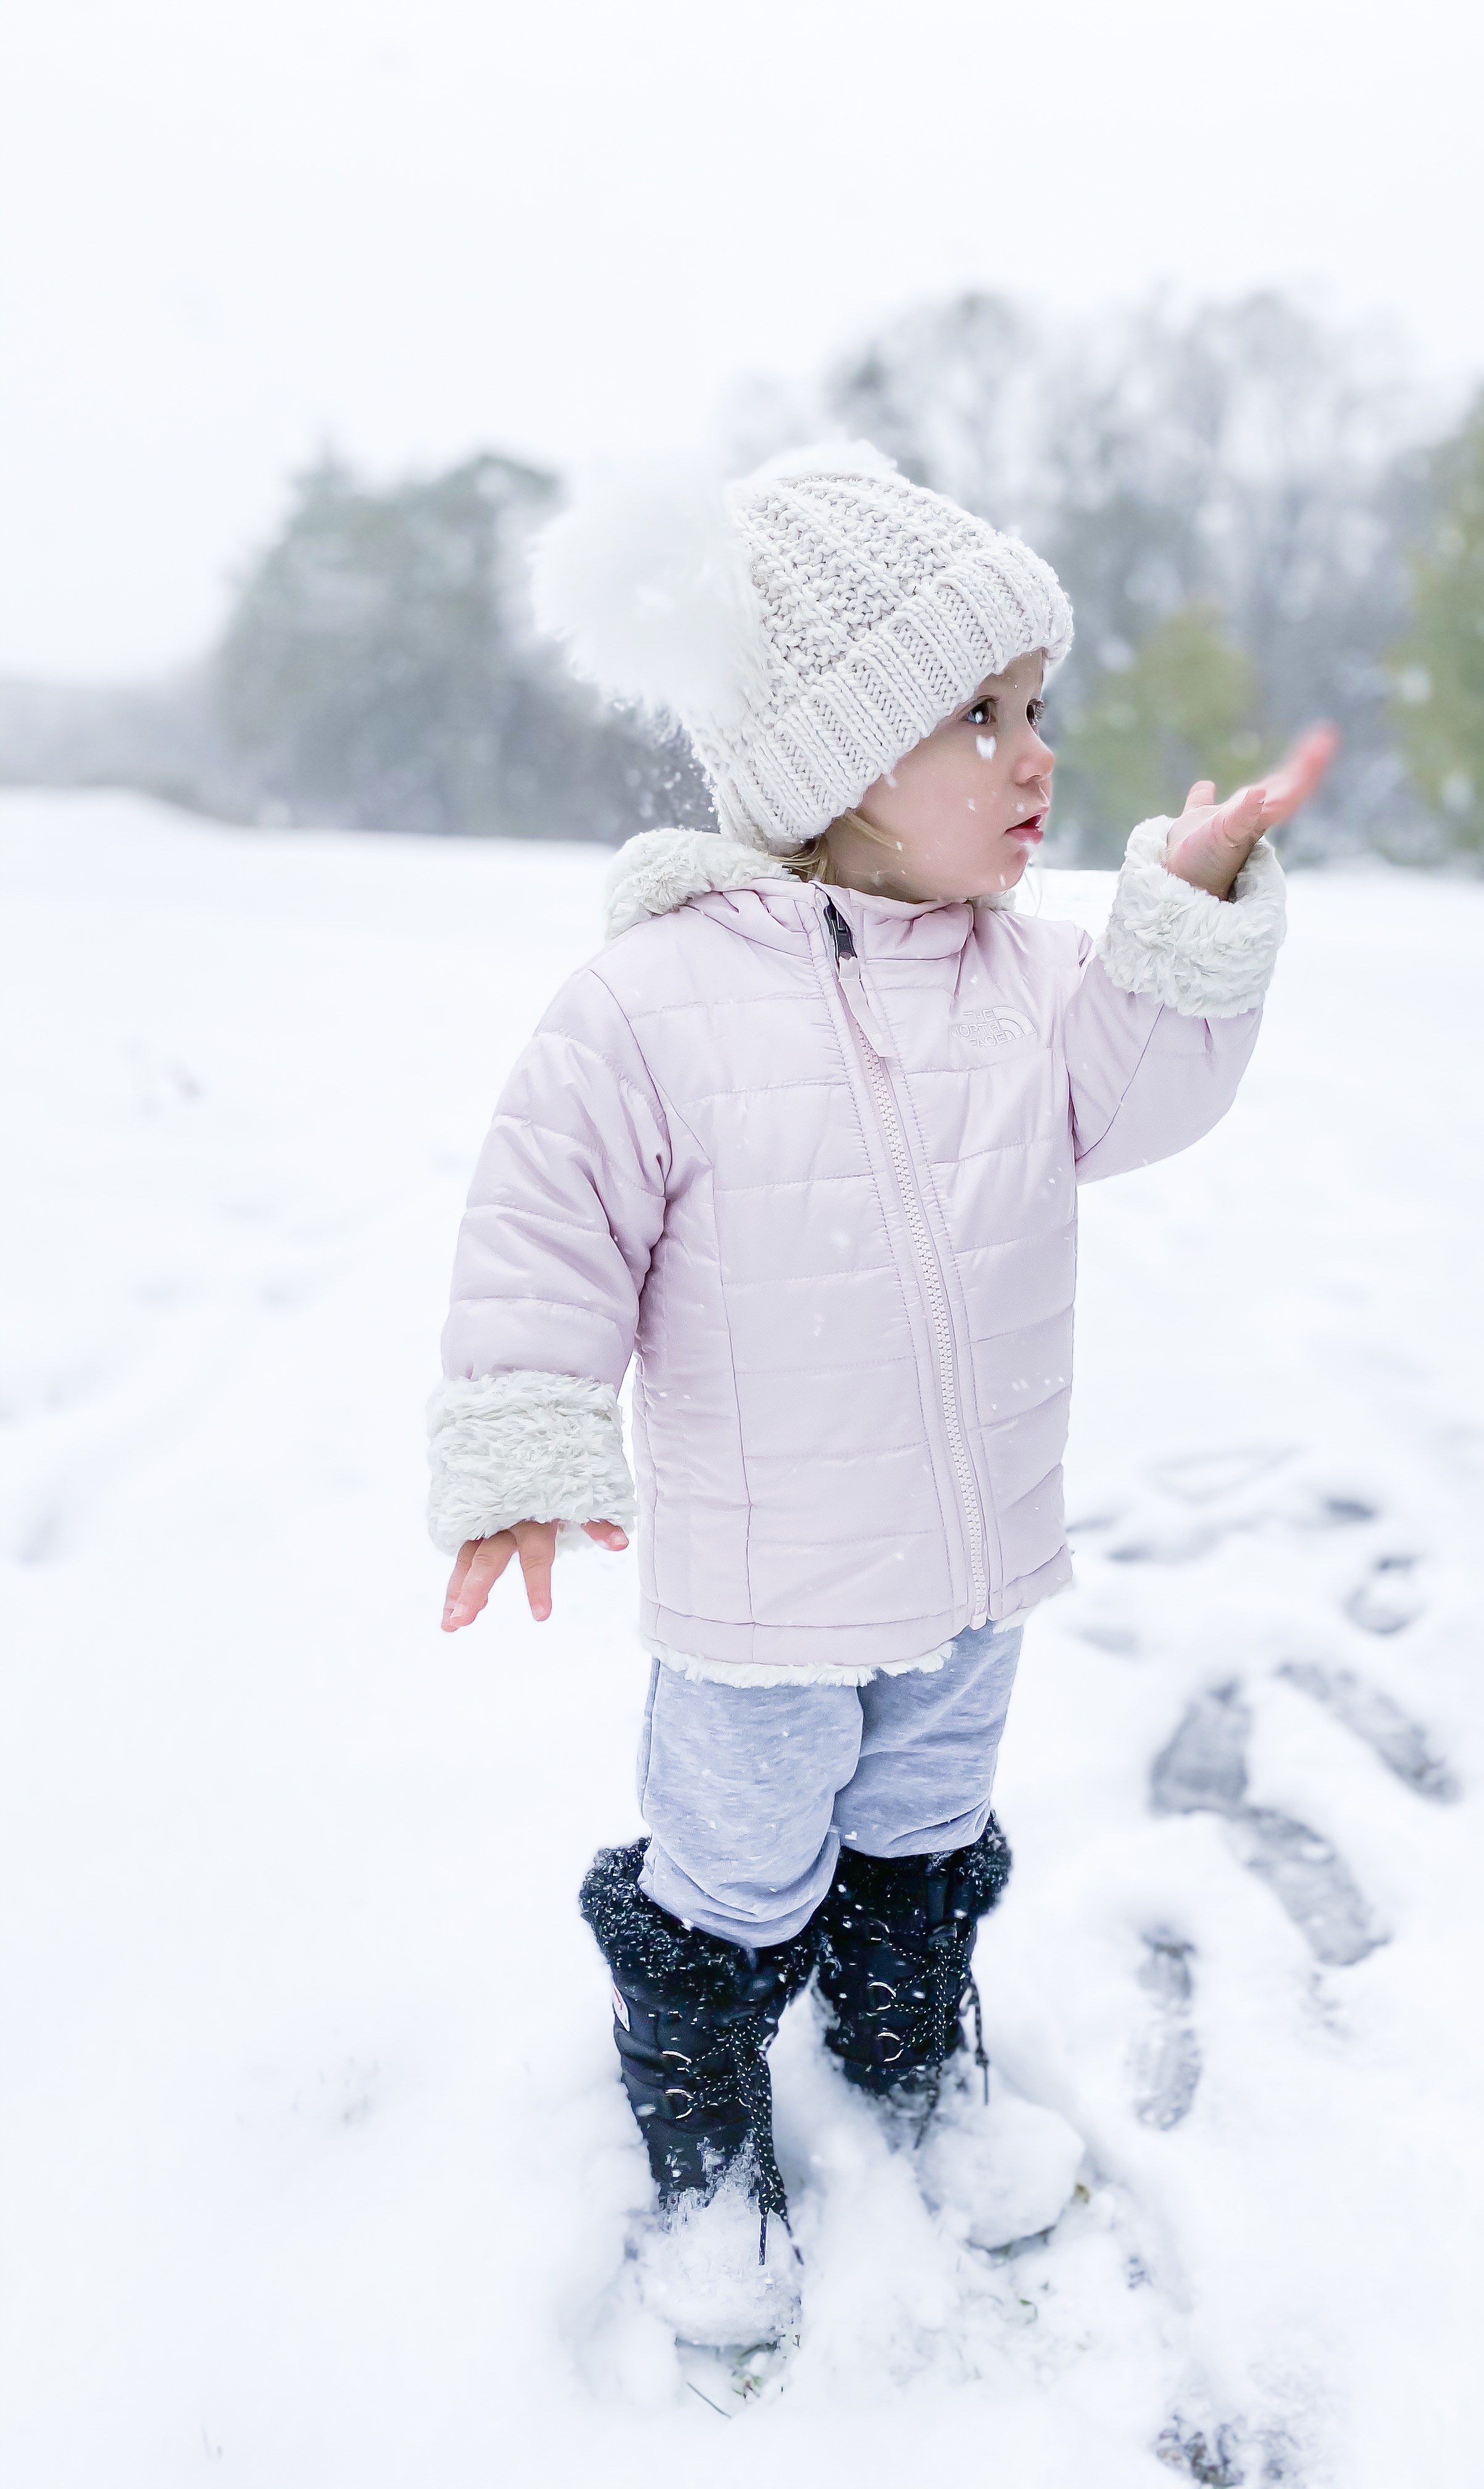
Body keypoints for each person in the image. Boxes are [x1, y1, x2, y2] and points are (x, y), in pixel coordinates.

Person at [426, 443, 1335, 2340]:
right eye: (976, 716)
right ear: (838, 761)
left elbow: (1148, 1086)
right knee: (737, 1870)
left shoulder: (1032, 987)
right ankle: (700, 2132)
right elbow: (544, 1218)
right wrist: (525, 1435)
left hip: (974, 1565)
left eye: (1038, 709)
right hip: (764, 1602)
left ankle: (915, 2065)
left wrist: (1186, 904)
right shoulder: (657, 1003)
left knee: (925, 1839)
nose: (1035, 757)